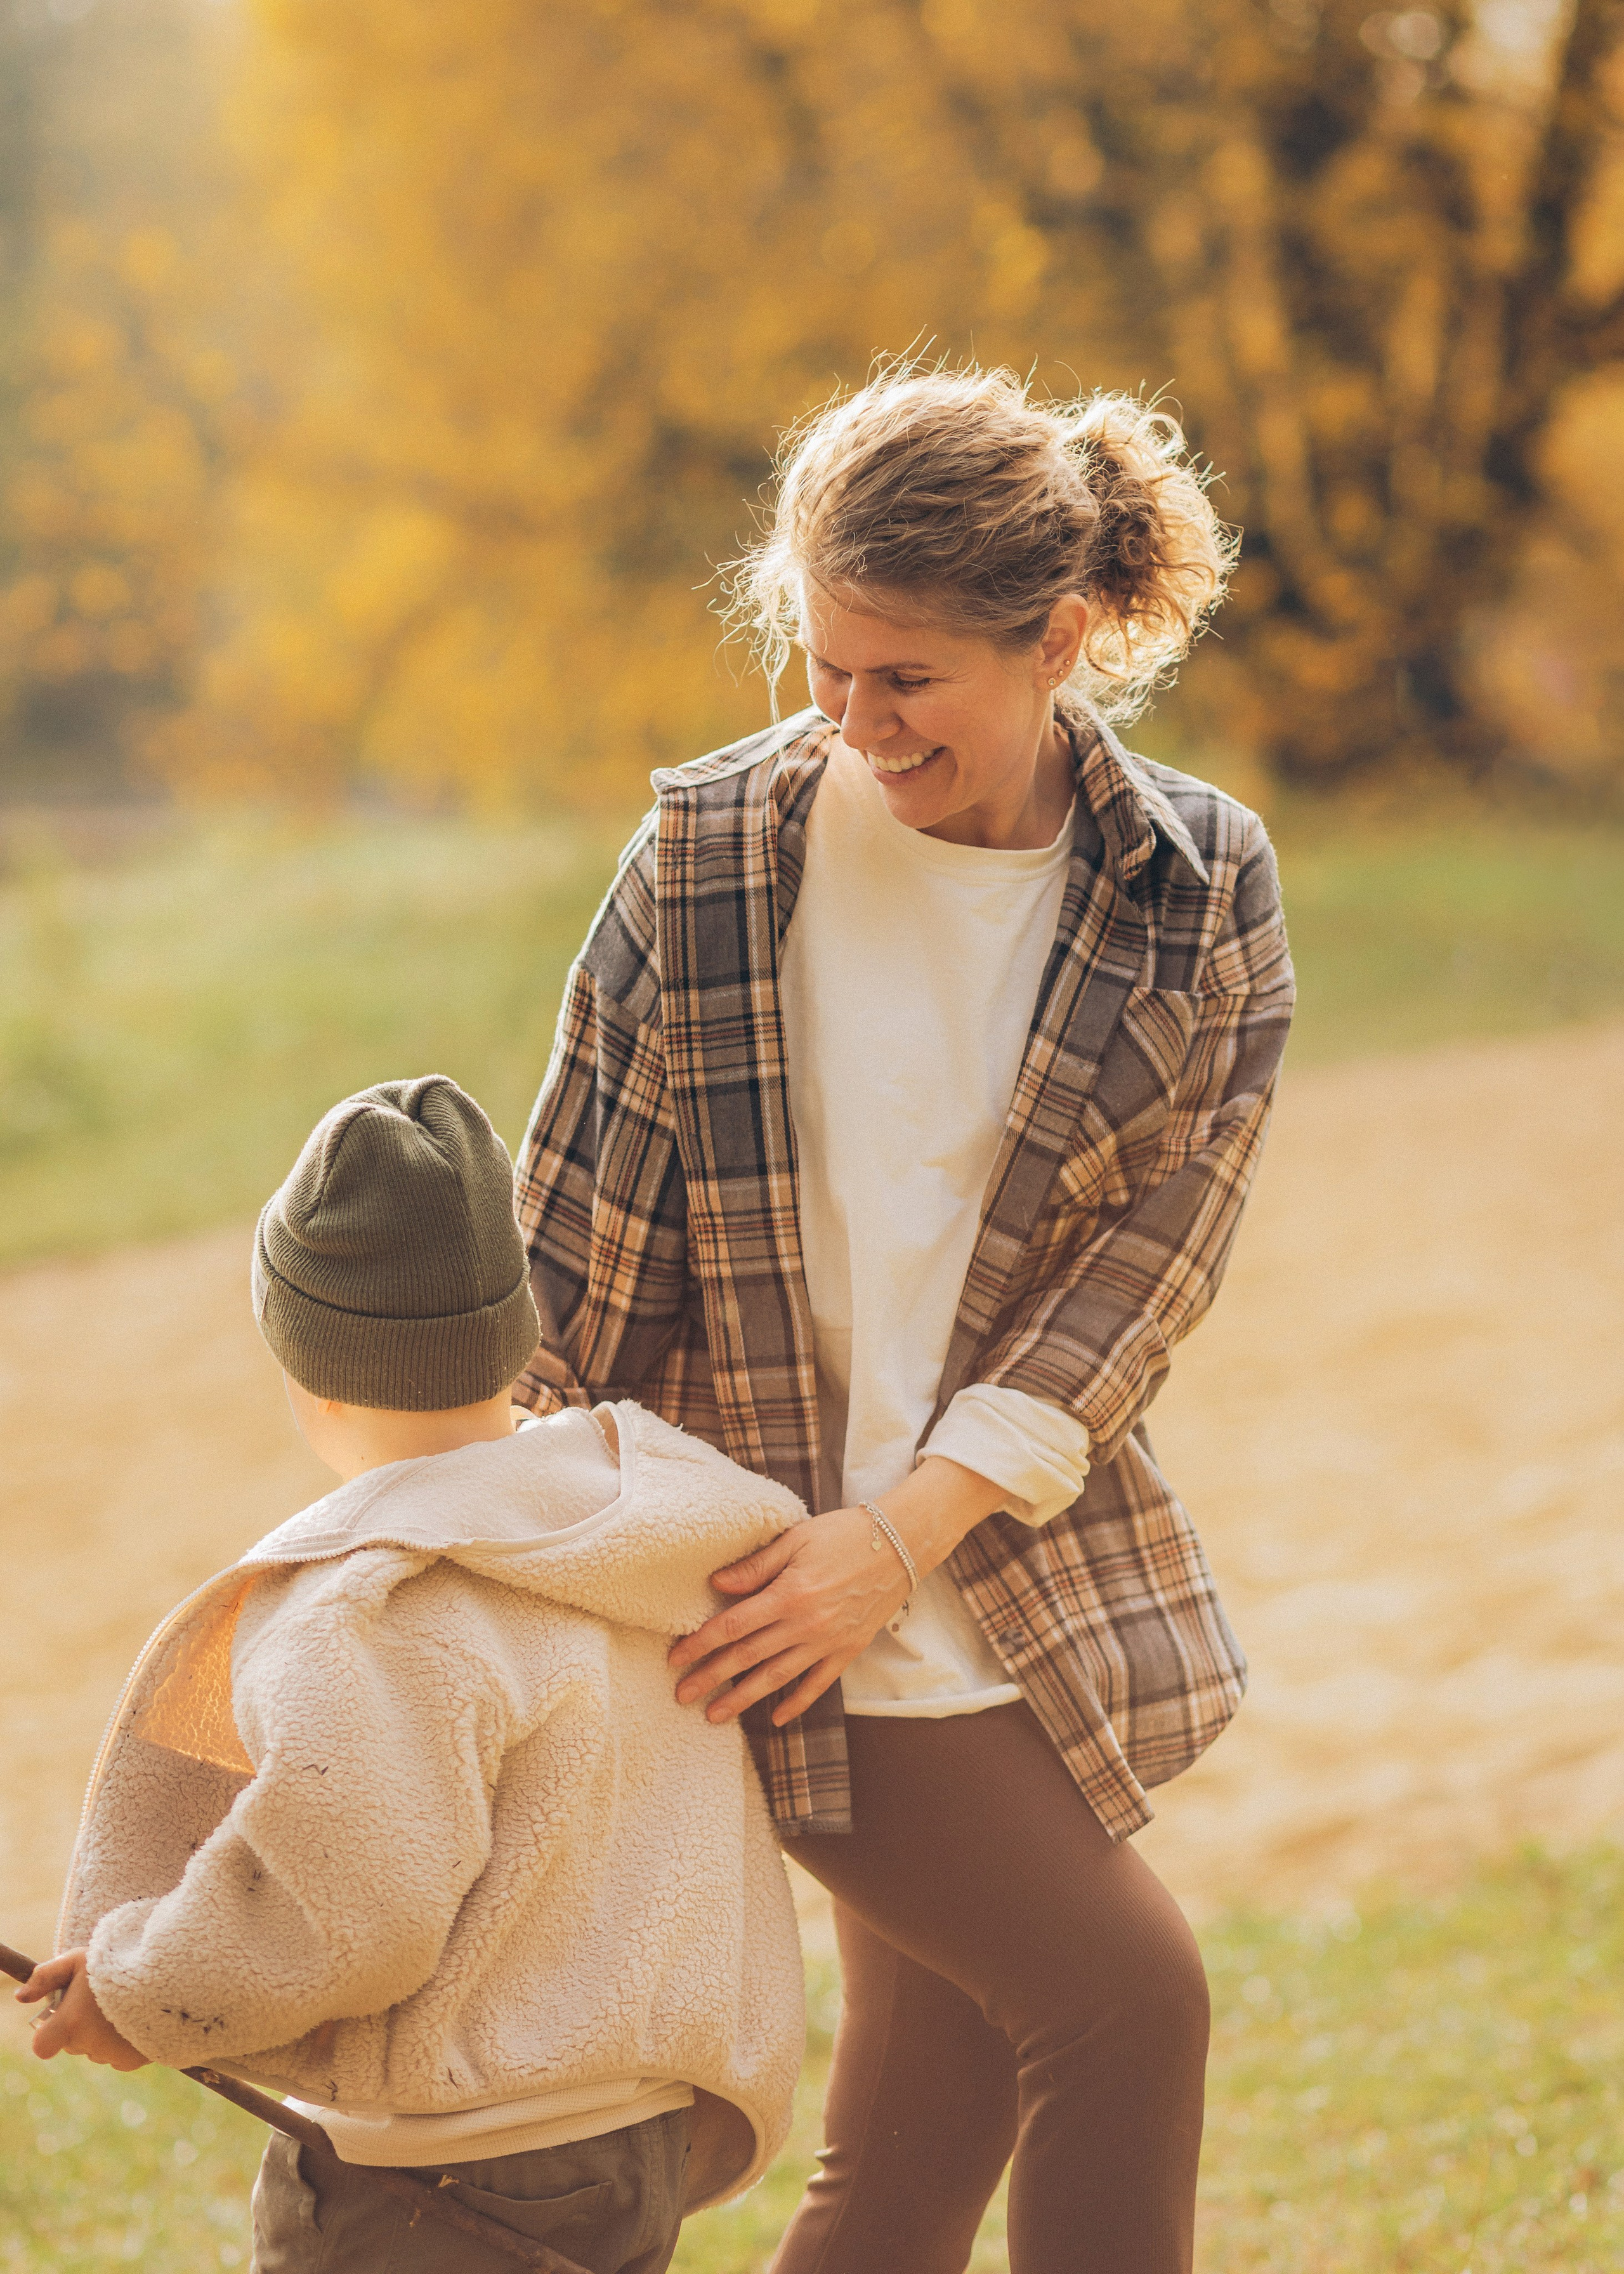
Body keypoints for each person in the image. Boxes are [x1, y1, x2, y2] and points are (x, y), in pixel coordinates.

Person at [513, 362, 1295, 2274]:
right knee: (1129, 2009)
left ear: (1064, 638)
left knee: (923, 2121)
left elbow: (1146, 1280)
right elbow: (572, 1268)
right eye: (824, 665)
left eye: (906, 681)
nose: (852, 726)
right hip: (757, 1590)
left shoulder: (1199, 889)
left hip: (983, 1559)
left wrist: (912, 1535)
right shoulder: (708, 866)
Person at [17, 1075, 806, 2274]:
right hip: (625, 2145)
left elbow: (341, 1895)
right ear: (514, 1329)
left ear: (306, 1361)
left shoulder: (372, 1606)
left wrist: (143, 1990)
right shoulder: (632, 1522)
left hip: (450, 2170)